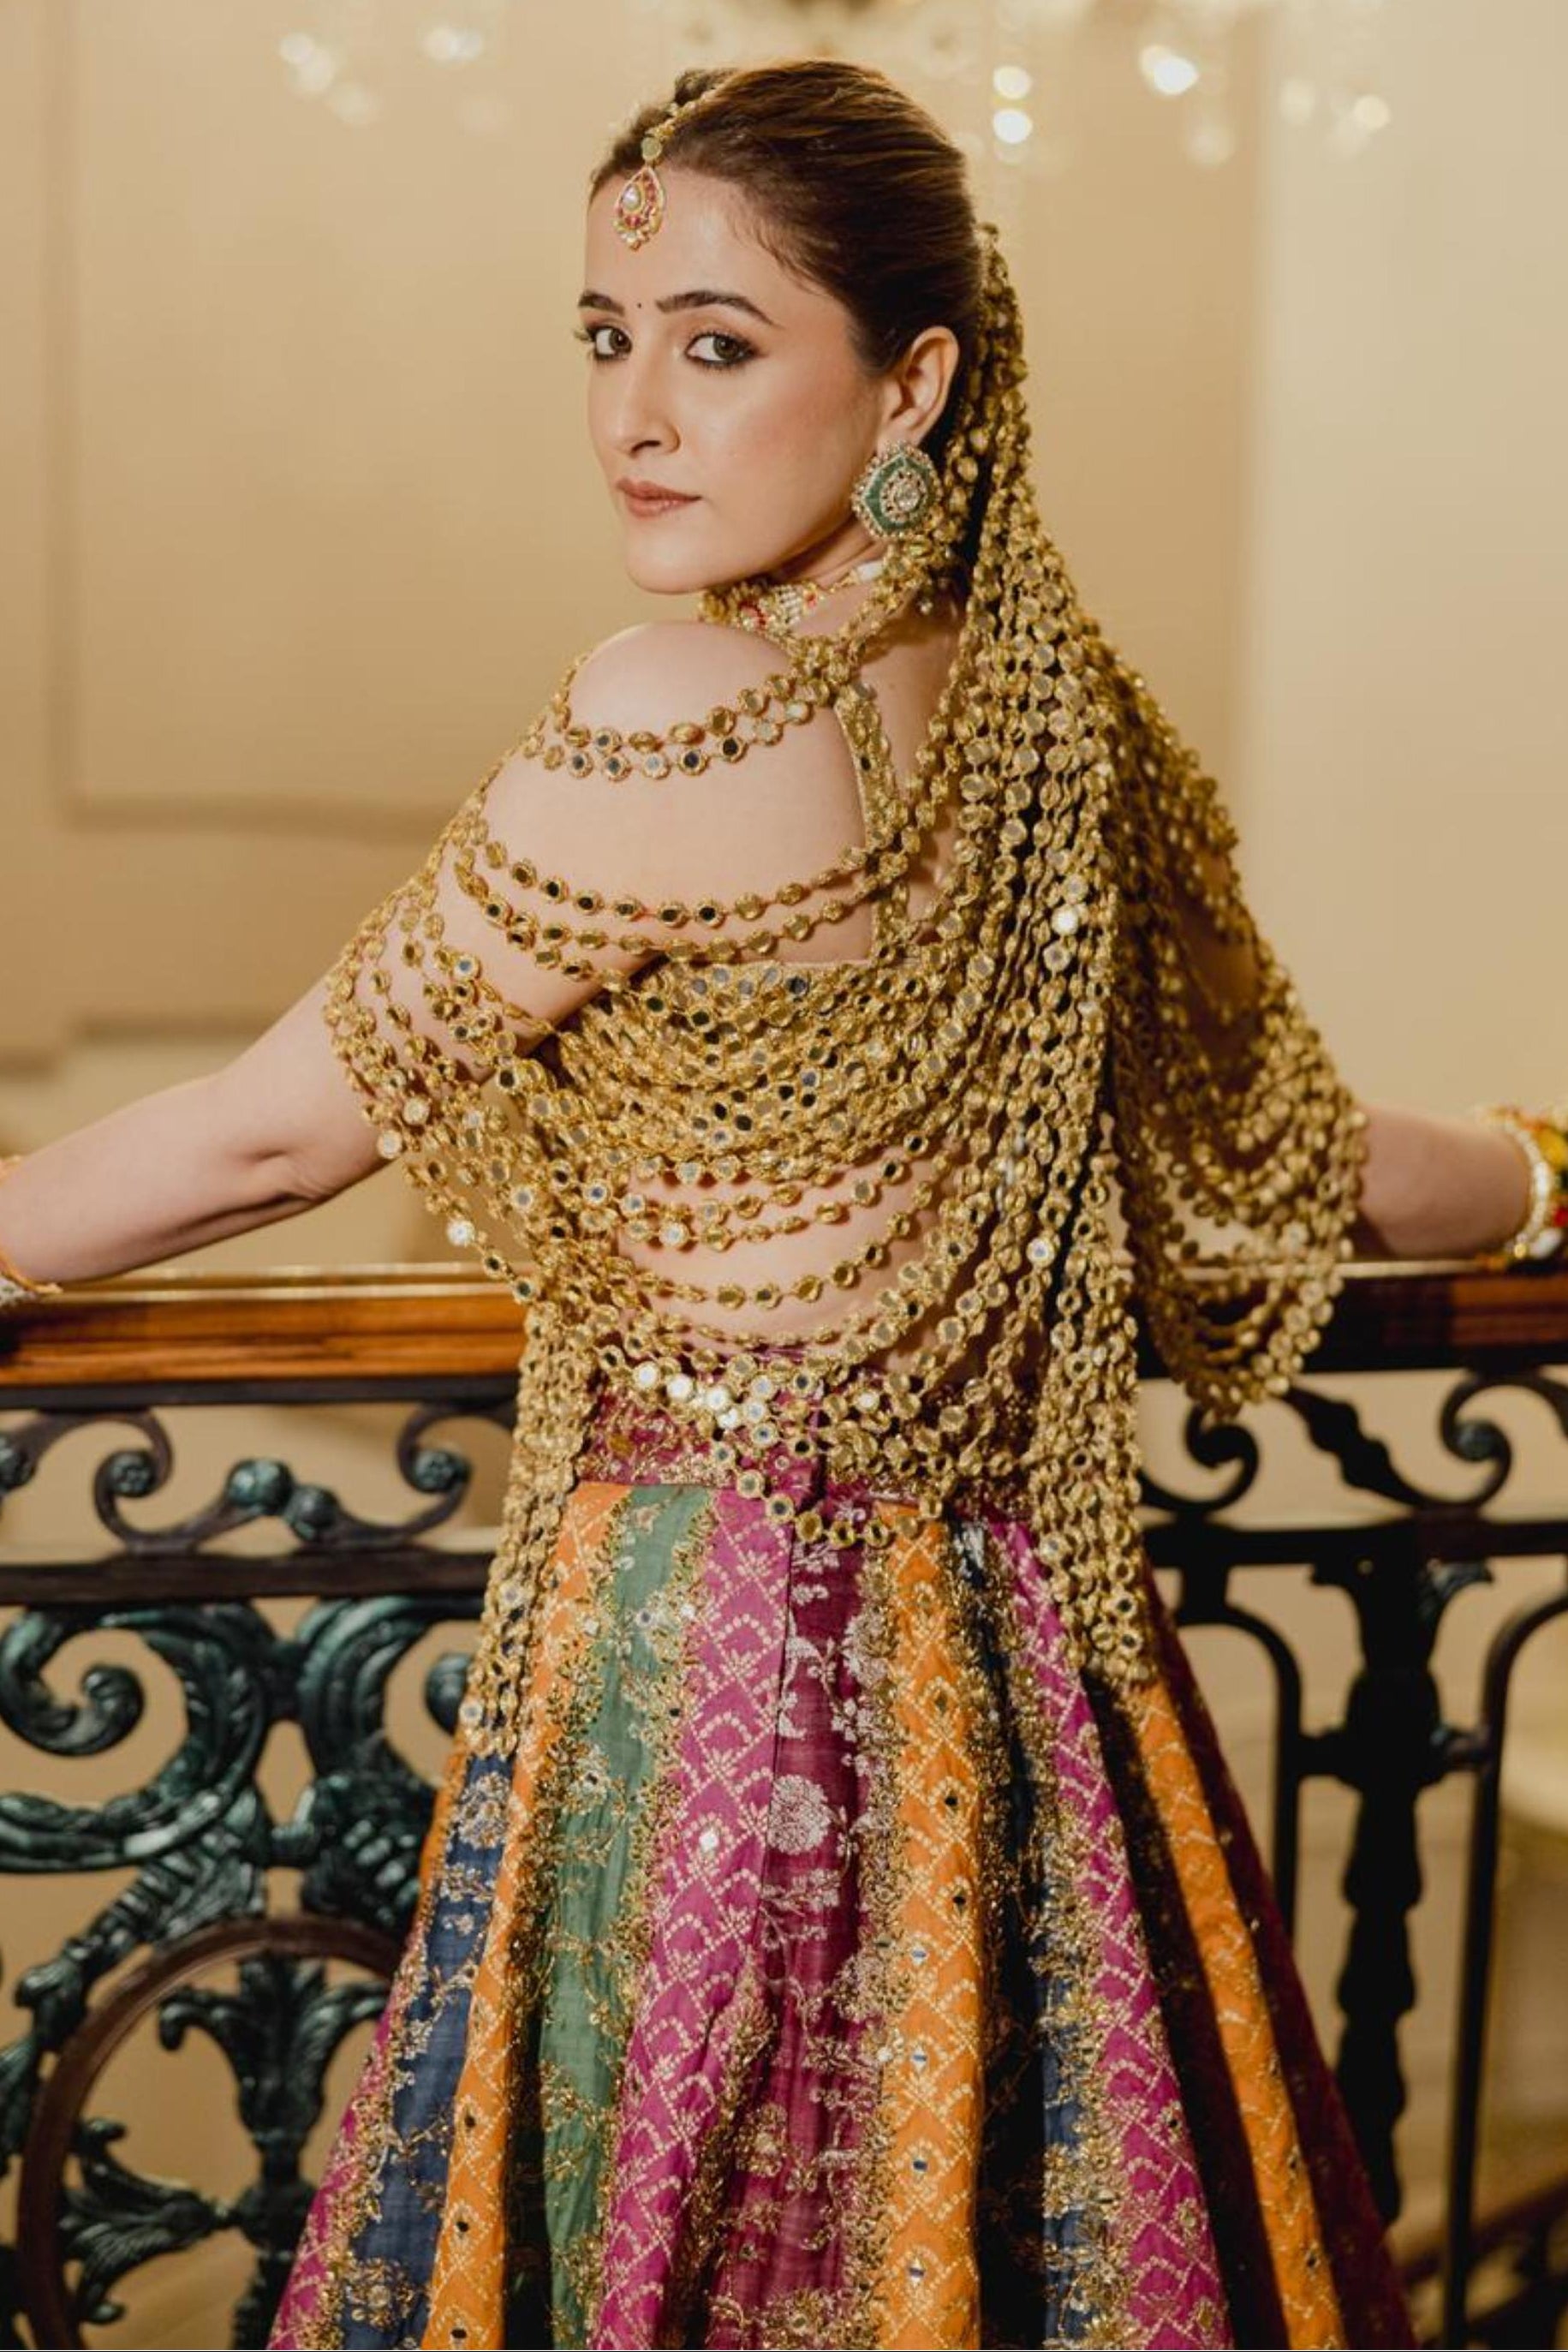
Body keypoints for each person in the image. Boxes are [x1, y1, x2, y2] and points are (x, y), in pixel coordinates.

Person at [1, 55, 1564, 2352]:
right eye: (605, 337)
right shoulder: (1054, 727)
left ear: (912, 382)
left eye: (717, 345)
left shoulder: (682, 711)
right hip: (1033, 1662)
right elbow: (1279, 1156)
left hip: (714, 1658)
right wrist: (1546, 1172)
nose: (636, 414)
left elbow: (274, 1137)